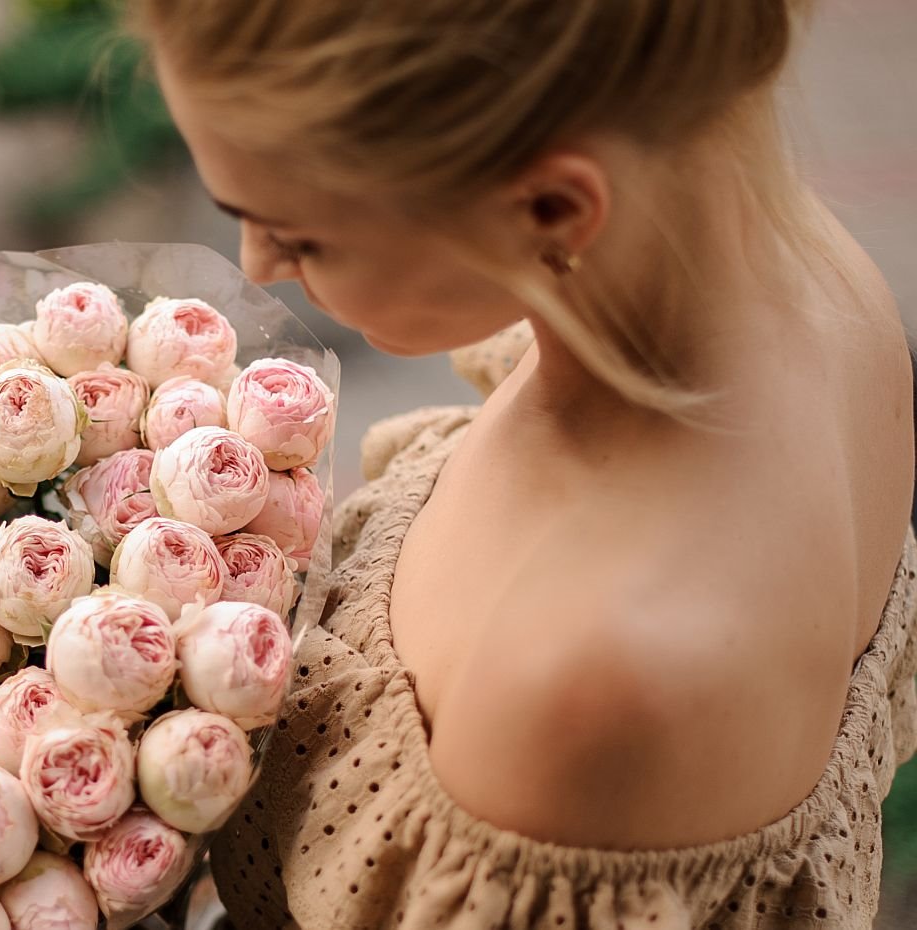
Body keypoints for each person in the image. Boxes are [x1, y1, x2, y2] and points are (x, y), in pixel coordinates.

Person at [129, 2, 917, 927]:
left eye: (301, 236)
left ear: (551, 208)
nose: (256, 264)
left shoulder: (583, 686)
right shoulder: (818, 284)